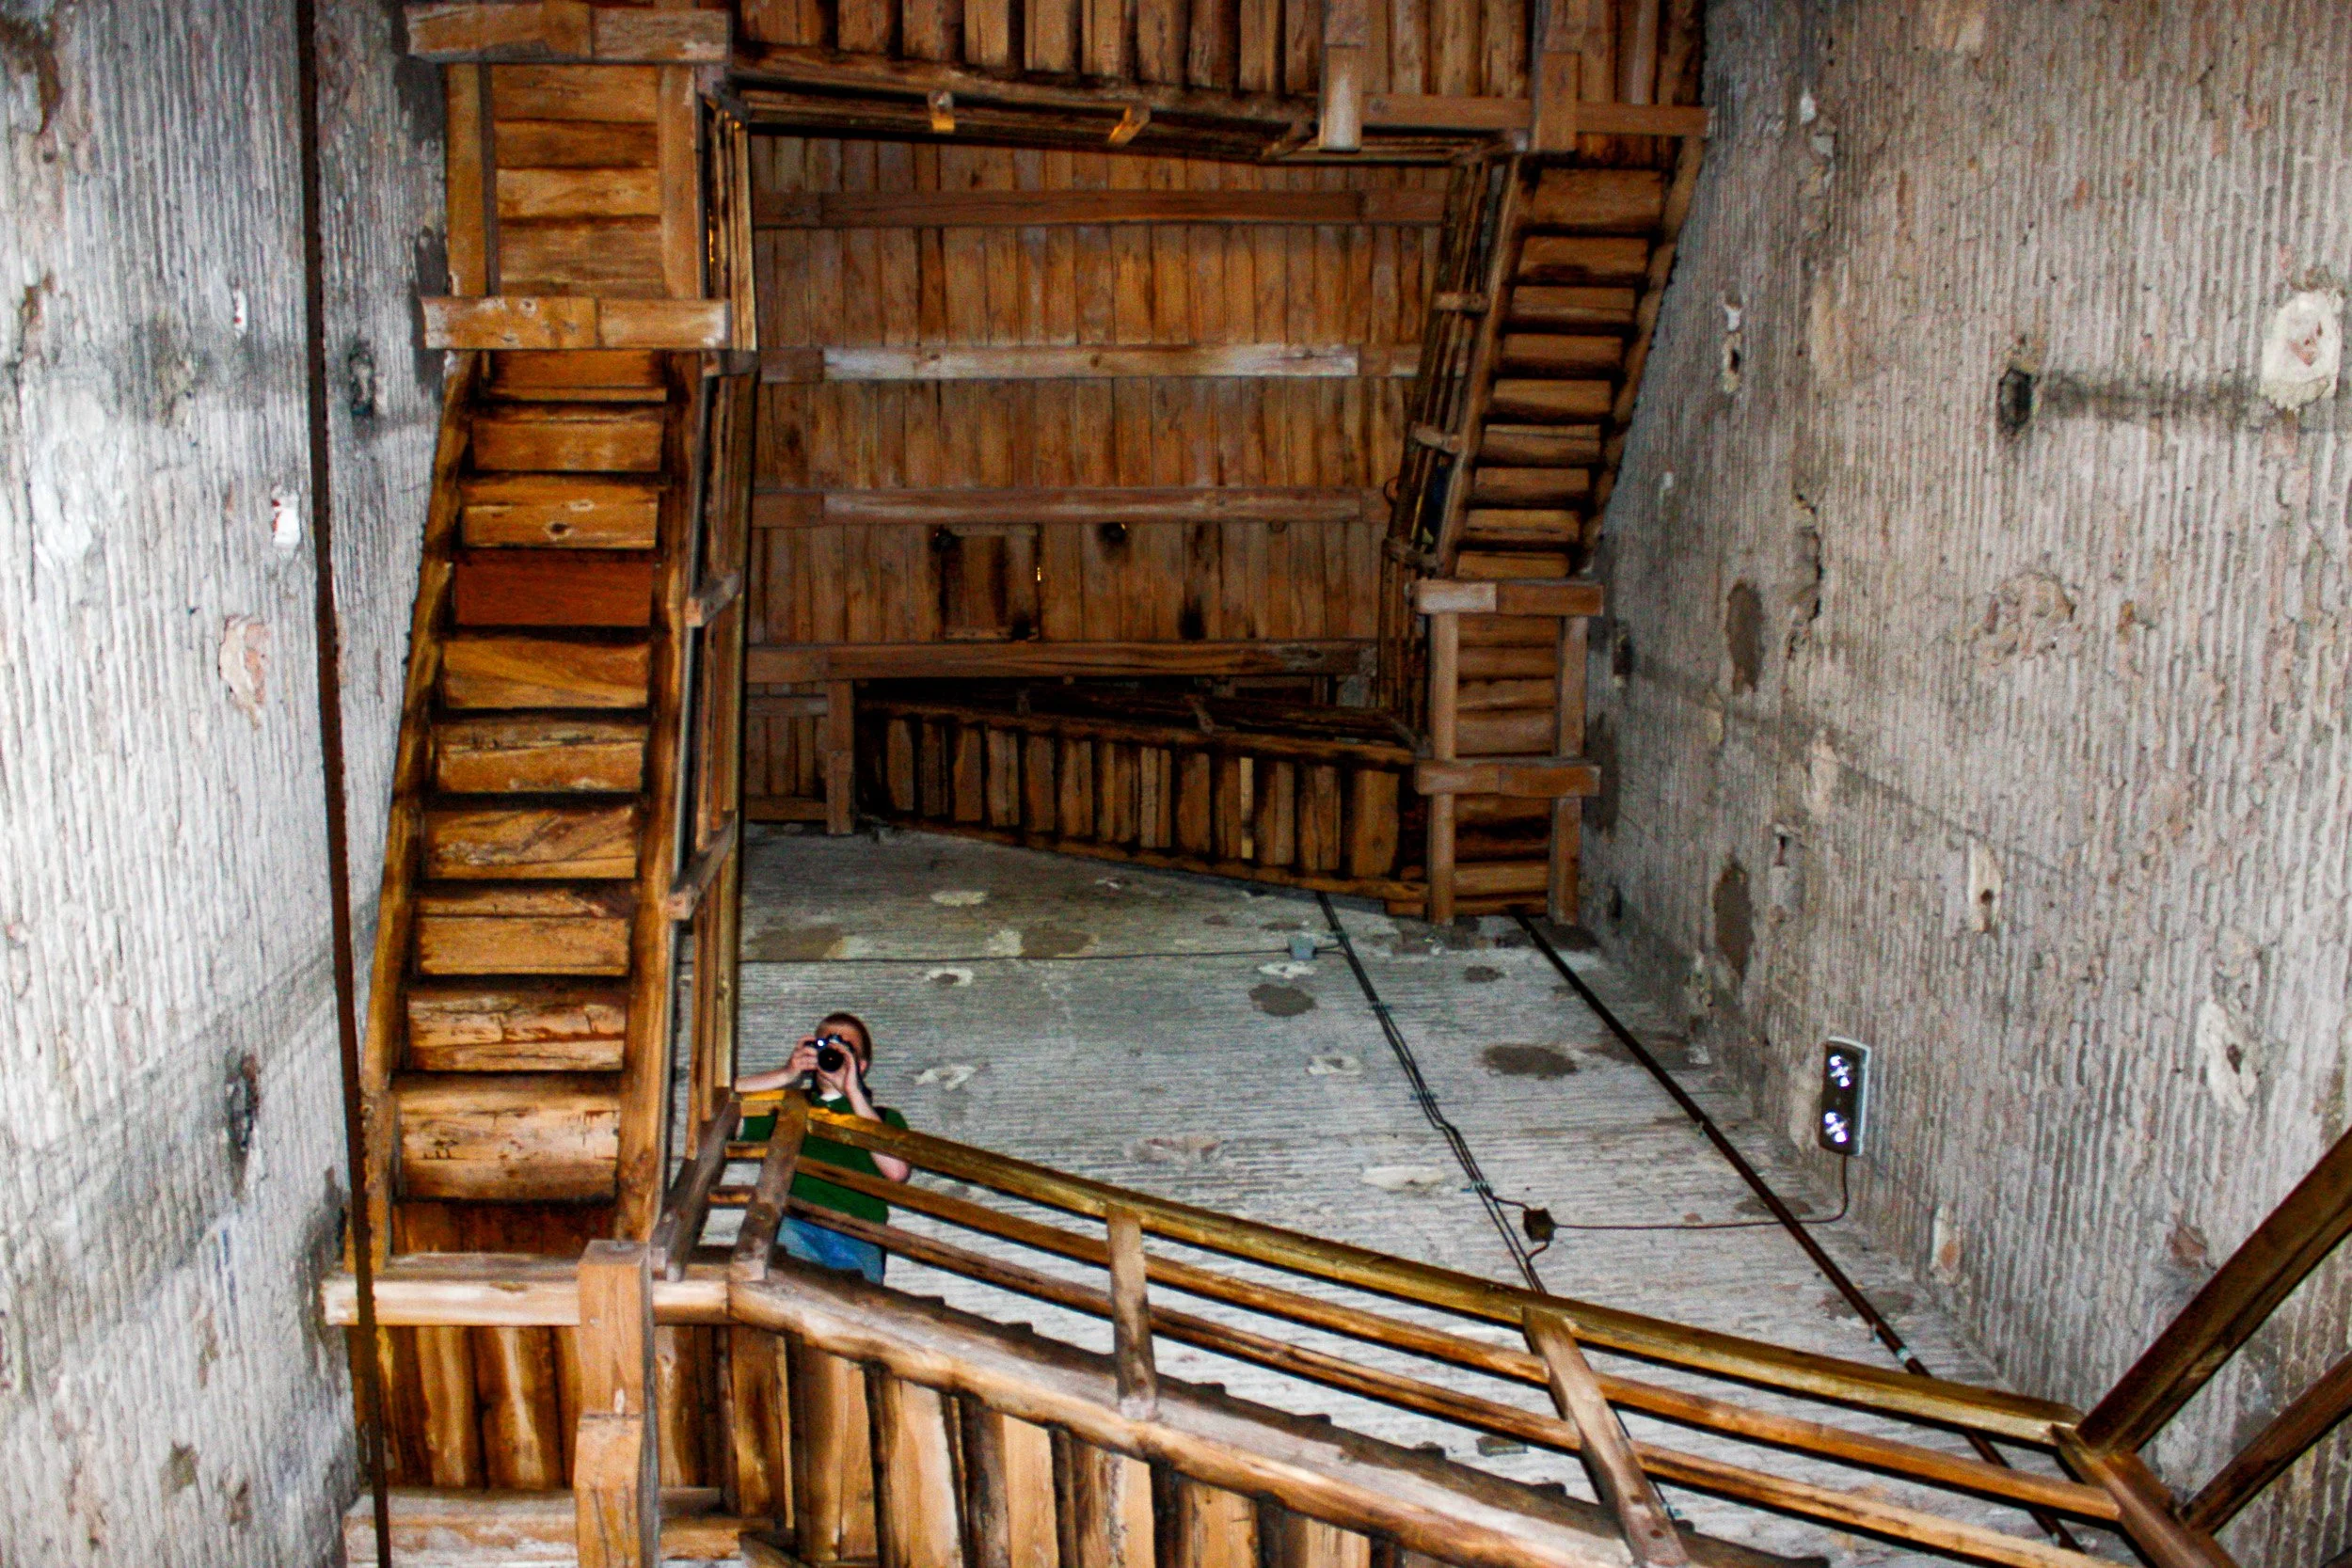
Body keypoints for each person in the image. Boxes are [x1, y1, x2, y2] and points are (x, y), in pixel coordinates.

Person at [734, 1011, 911, 1284]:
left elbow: (897, 1171)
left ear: (861, 1065)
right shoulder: (784, 1109)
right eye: (825, 1046)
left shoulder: (884, 1119)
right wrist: (787, 1073)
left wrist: (853, 1091)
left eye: (845, 1049)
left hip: (859, 1234)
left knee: (852, 1315)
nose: (833, 1054)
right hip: (794, 1224)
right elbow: (721, 1098)